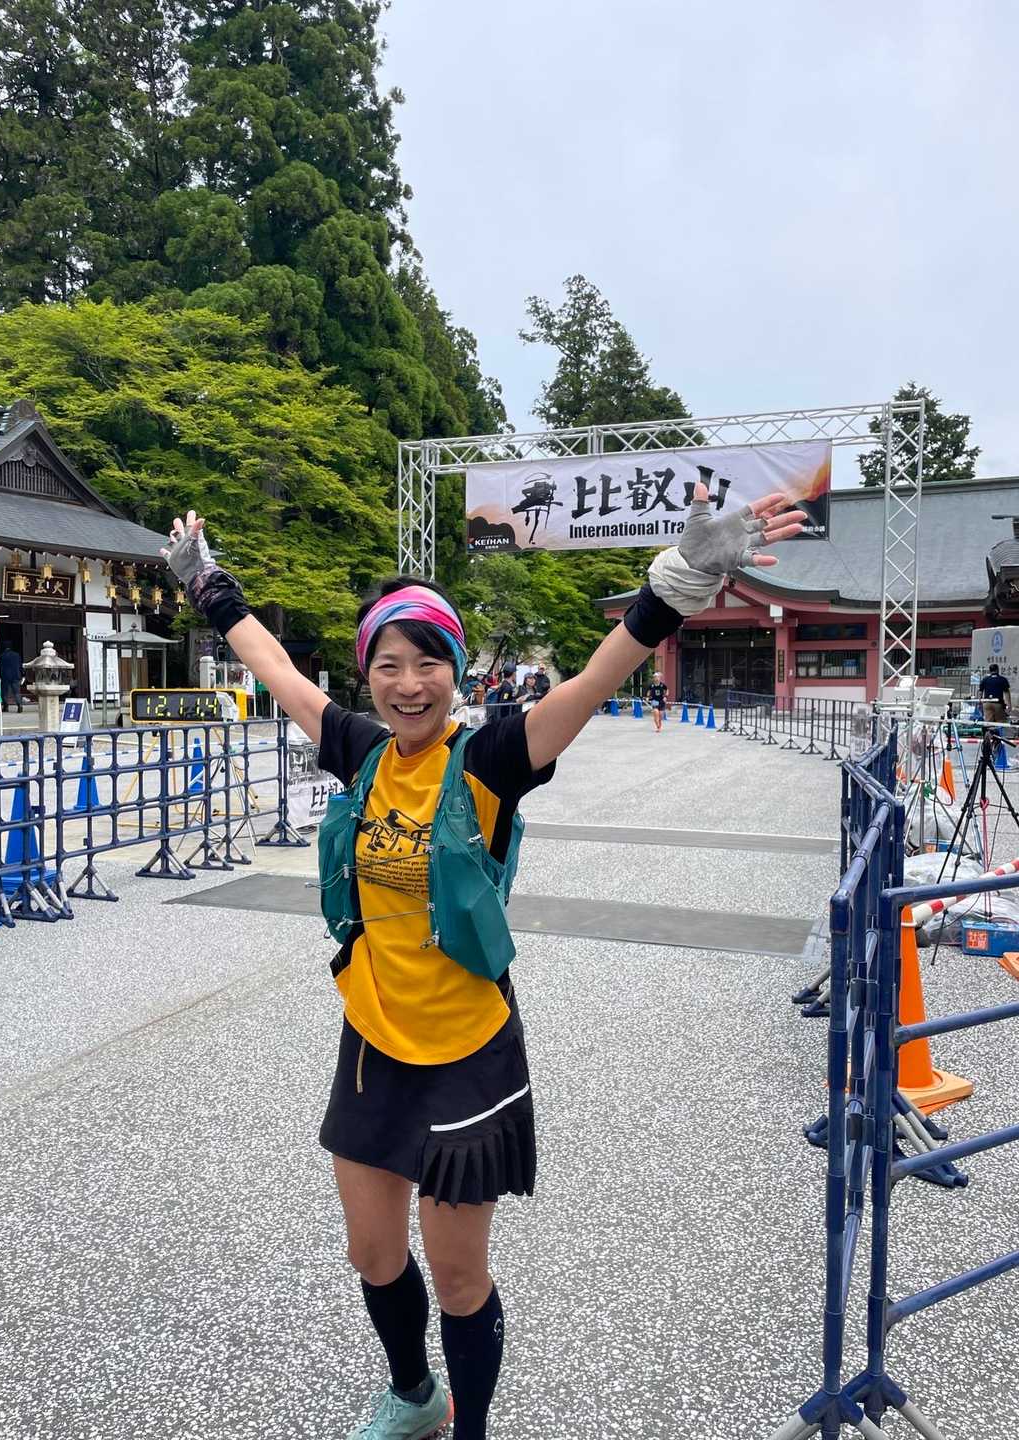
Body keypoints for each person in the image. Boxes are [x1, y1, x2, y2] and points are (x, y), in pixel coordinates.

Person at [160, 481, 804, 1440]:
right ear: (368, 674)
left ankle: (471, 1429)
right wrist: (208, 585)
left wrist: (675, 585)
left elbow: (590, 684)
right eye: (388, 664)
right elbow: (276, 668)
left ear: (456, 672)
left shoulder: (491, 759)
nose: (407, 684)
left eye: (428, 663)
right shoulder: (361, 752)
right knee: (373, 1254)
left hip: (469, 1050)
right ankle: (413, 1394)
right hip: (373, 1043)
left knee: (458, 1276)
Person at [0, 642, 24, 713]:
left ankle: (6, 706)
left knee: (4, 692)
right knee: (17, 692)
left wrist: (0, 675)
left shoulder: (2, 656)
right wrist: (22, 674)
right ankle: (19, 705)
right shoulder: (17, 655)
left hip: (5, 676)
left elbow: (1, 667)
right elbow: (20, 665)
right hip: (16, 675)